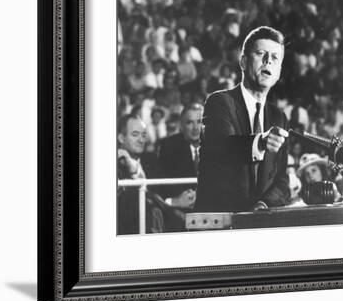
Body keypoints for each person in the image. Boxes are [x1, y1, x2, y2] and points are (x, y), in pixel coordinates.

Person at [195, 26, 290, 212]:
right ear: (243, 62)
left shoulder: (279, 117)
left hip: (260, 219)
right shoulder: (220, 101)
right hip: (220, 220)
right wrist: (260, 142)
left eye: (275, 58)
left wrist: (264, 204)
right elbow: (222, 148)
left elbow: (282, 179)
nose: (268, 61)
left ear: (278, 72)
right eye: (261, 53)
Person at [117, 114, 183, 234]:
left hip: (163, 224)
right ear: (121, 138)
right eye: (135, 134)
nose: (142, 140)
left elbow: (165, 191)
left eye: (144, 135)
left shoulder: (151, 160)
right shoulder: (113, 165)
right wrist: (172, 202)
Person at [158, 103, 203, 210]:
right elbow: (164, 182)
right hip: (182, 208)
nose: (196, 128)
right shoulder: (169, 146)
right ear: (181, 126)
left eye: (199, 122)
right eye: (189, 123)